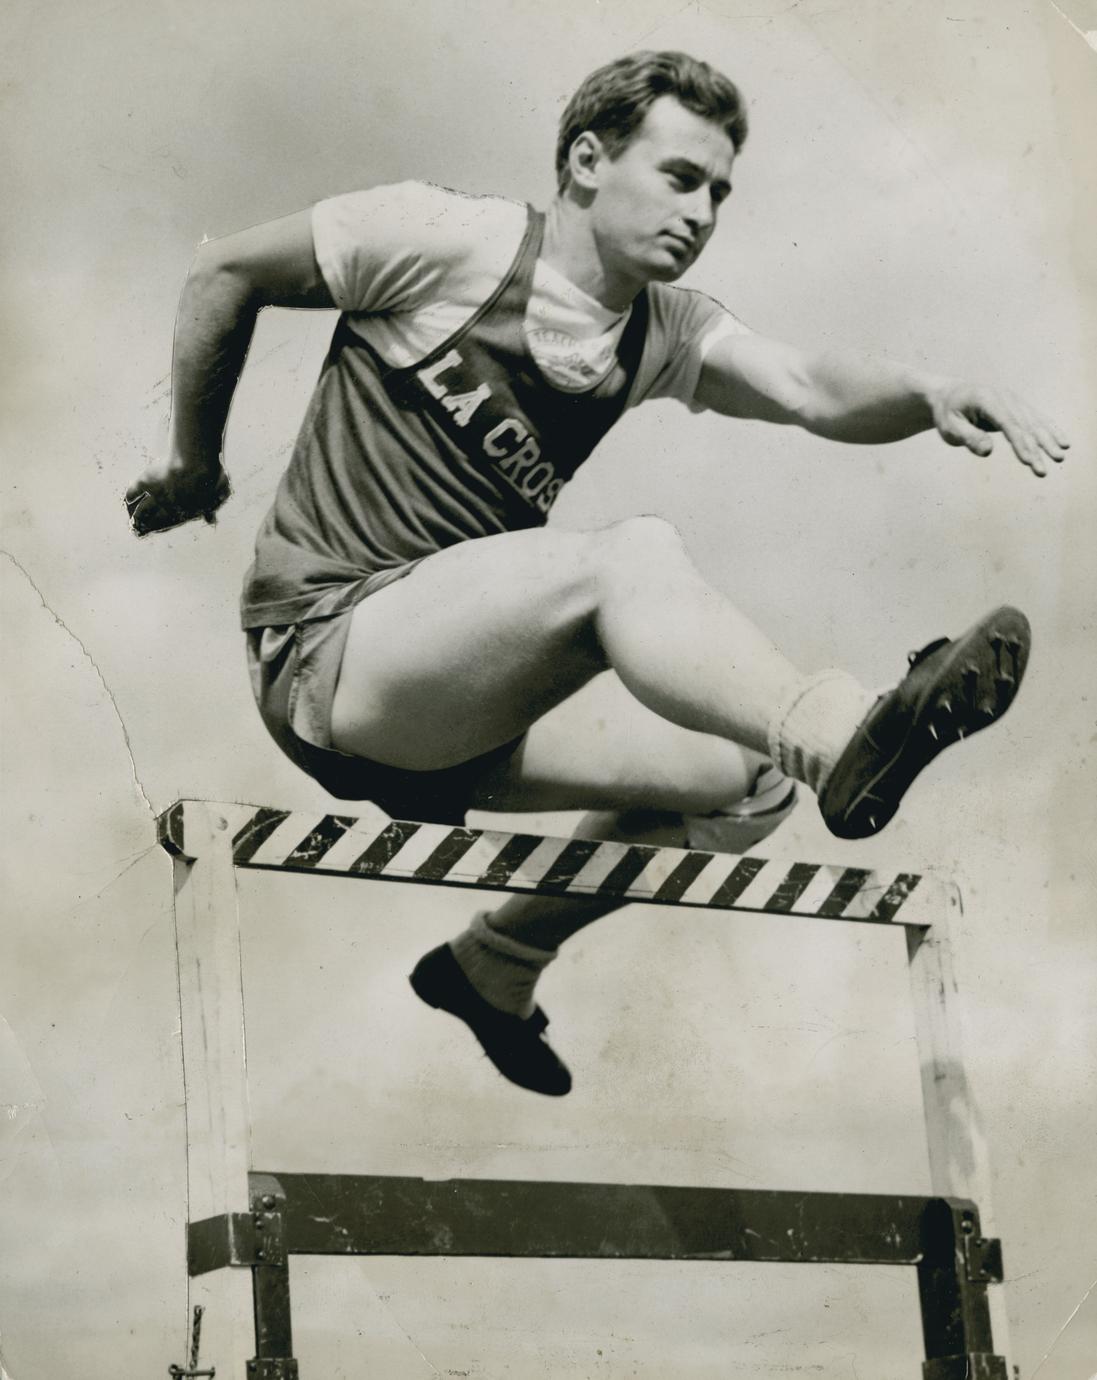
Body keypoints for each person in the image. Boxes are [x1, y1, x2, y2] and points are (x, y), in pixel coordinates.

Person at [126, 51, 1068, 1097]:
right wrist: (194, 464)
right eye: (679, 178)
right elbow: (225, 273)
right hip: (330, 655)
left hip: (449, 717)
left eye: (718, 193)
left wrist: (928, 391)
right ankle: (838, 730)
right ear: (585, 160)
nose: (701, 213)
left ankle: (494, 963)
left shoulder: (660, 330)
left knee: (746, 782)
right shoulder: (450, 239)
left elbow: (805, 385)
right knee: (630, 560)